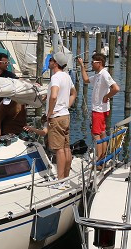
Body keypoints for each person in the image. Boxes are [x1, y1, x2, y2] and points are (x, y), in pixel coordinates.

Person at [77, 52, 119, 164]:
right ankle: (103, 157)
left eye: (93, 62)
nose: (91, 64)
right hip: (100, 109)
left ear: (99, 63)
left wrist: (107, 96)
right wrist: (82, 66)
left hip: (99, 110)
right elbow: (86, 80)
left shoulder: (104, 74)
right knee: (102, 133)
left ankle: (100, 160)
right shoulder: (98, 75)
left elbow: (116, 88)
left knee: (96, 135)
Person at [46, 50, 76, 179]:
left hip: (57, 116)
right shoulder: (67, 76)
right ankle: (66, 177)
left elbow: (53, 96)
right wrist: (66, 105)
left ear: (56, 63)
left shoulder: (56, 77)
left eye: (51, 60)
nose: (49, 61)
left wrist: (49, 112)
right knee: (66, 147)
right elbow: (74, 93)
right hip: (65, 115)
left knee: (59, 149)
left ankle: (60, 180)